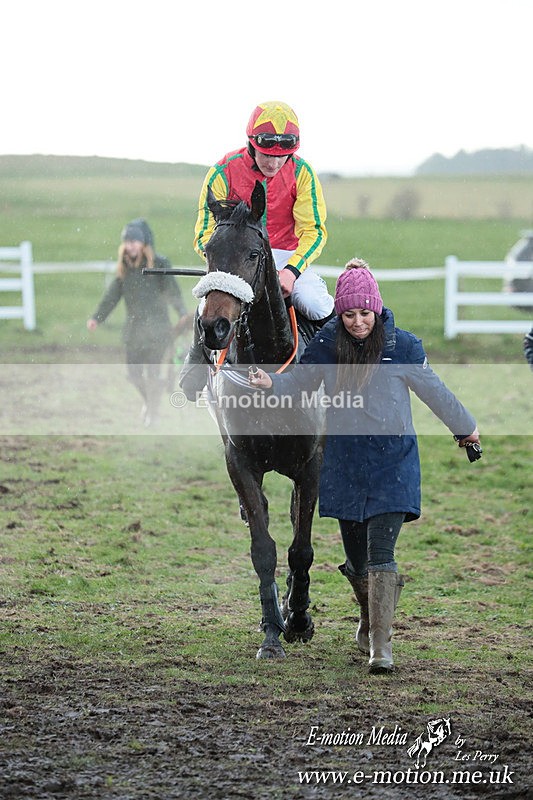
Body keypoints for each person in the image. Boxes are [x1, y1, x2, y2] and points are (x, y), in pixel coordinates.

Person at [249, 258, 481, 674]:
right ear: (341, 313)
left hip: (393, 466)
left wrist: (465, 429)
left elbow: (435, 392)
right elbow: (301, 381)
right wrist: (272, 383)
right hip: (344, 467)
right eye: (350, 314)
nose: (358, 322)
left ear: (377, 309)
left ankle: (381, 647)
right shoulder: (327, 346)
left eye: (365, 313)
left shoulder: (402, 347)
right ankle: (371, 616)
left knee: (380, 554)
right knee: (357, 561)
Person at [180, 100, 335, 398]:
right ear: (252, 144)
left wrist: (291, 271)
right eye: (267, 155)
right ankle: (195, 366)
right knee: (208, 306)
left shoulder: (302, 173)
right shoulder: (222, 171)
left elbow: (314, 231)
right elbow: (204, 235)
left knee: (317, 304)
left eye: (283, 157)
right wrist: (228, 268)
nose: (274, 164)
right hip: (236, 257)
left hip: (287, 255)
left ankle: (334, 374)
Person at [87, 218, 187, 427]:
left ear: (144, 243)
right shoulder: (125, 269)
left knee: (152, 374)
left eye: (135, 241)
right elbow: (112, 296)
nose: (130, 245)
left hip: (158, 331)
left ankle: (153, 414)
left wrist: (182, 312)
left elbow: (172, 291)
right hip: (134, 332)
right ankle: (149, 404)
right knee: (133, 375)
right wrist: (97, 317)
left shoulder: (159, 265)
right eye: (127, 241)